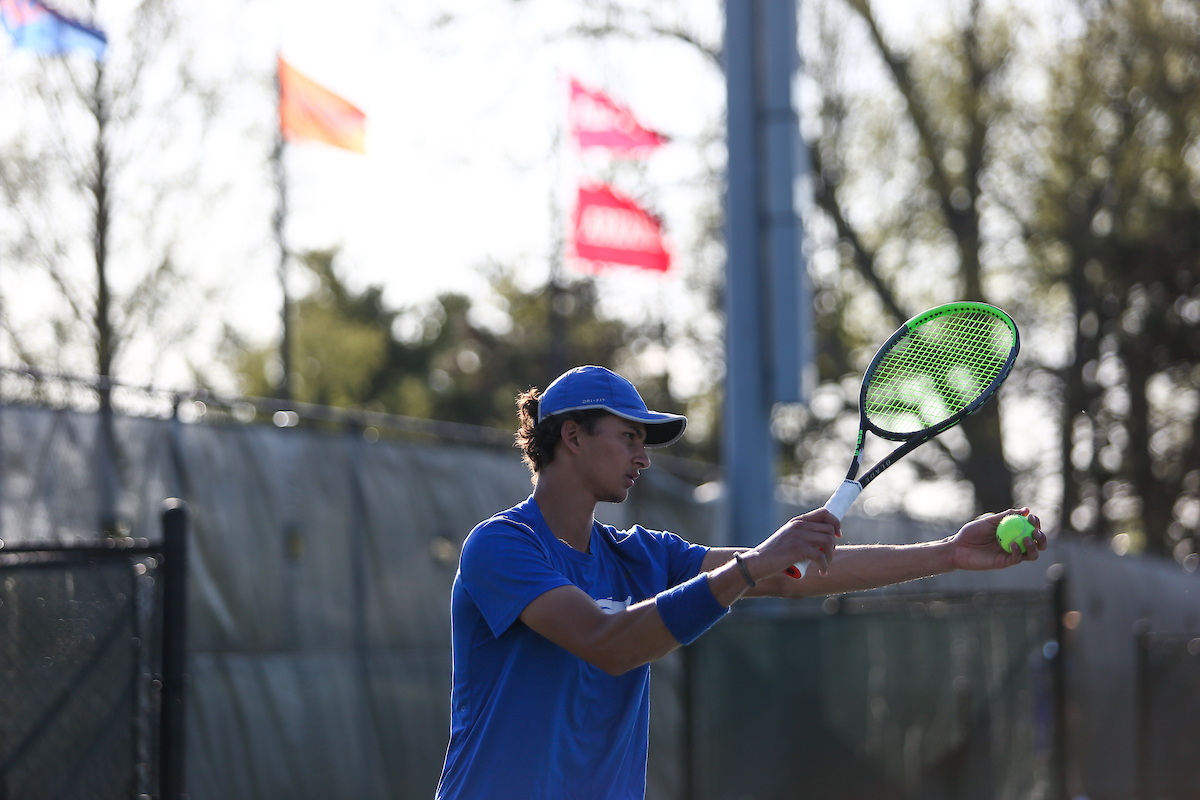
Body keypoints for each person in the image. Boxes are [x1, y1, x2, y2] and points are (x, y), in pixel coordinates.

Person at [434, 365, 1046, 800]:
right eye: (628, 437)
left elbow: (788, 579)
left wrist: (946, 553)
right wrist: (751, 565)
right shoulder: (501, 546)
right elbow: (609, 643)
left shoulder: (639, 555)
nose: (642, 457)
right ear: (571, 436)